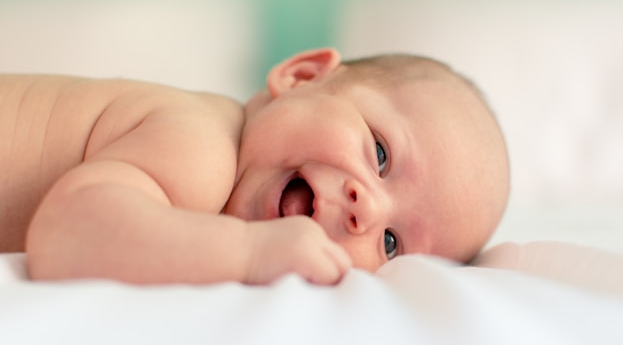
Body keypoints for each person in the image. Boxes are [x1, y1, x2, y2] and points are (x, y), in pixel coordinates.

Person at [0, 48, 509, 285]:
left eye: (391, 244)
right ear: (301, 76)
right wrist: (246, 253)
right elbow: (67, 236)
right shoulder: (203, 147)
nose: (366, 211)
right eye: (379, 153)